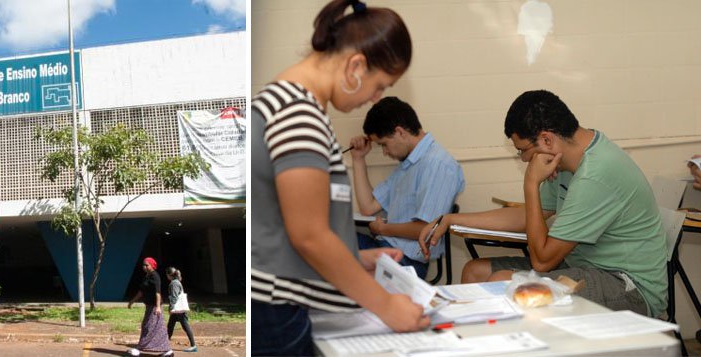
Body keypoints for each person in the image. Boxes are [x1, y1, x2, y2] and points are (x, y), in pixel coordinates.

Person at [251, 1, 430, 355]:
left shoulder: (287, 101)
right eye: (380, 85)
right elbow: (310, 235)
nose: (375, 98)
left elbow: (282, 225)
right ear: (356, 66)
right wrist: (388, 307)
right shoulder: (298, 113)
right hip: (273, 310)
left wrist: (355, 257)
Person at [420, 90, 667, 317]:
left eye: (522, 151)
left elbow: (542, 261)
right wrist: (451, 219)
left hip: (628, 288)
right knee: (475, 272)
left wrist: (530, 184)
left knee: (506, 282)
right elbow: (528, 216)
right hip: (582, 267)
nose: (524, 159)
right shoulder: (564, 160)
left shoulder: (595, 175)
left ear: (546, 140)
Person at [349, 96, 464, 279]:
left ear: (400, 132)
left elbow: (426, 229)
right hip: (386, 249)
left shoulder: (438, 164)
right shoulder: (409, 164)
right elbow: (368, 206)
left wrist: (383, 229)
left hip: (406, 263)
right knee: (327, 240)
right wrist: (358, 158)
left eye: (384, 145)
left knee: (328, 251)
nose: (385, 153)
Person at [126, 257, 173, 357]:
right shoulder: (147, 276)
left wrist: (158, 307)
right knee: (156, 328)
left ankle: (139, 349)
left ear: (152, 266)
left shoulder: (155, 276)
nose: (144, 267)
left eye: (146, 265)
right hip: (149, 306)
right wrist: (132, 301)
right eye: (143, 265)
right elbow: (141, 291)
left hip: (154, 307)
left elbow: (158, 292)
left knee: (149, 327)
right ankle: (167, 351)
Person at [165, 267, 197, 353]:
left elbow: (174, 297)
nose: (166, 276)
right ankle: (165, 344)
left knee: (185, 326)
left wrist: (171, 308)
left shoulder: (173, 283)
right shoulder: (176, 282)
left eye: (166, 274)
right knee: (170, 325)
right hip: (178, 310)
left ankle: (193, 346)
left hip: (178, 309)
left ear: (169, 275)